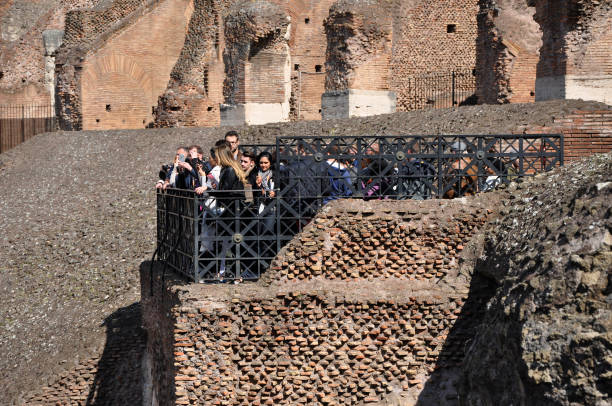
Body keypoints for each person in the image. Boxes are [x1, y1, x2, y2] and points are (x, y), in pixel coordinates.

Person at [255, 152, 276, 236]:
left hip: (271, 207)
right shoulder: (255, 174)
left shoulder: (274, 174)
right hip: (259, 207)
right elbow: (250, 191)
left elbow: (281, 188)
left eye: (266, 163)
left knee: (268, 233)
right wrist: (258, 186)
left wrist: (275, 193)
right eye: (261, 163)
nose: (263, 165)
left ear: (270, 163)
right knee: (257, 233)